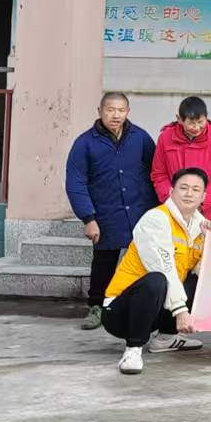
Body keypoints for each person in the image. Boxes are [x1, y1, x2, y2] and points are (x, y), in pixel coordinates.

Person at [101, 165, 211, 375]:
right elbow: (164, 268)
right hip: (121, 313)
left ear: (203, 196)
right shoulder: (156, 219)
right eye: (183, 188)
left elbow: (202, 270)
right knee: (156, 279)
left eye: (195, 189)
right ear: (171, 191)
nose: (189, 193)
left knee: (199, 279)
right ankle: (133, 349)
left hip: (157, 308)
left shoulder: (200, 226)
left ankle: (166, 338)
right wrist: (180, 311)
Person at [64, 92, 157, 331]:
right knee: (104, 263)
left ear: (128, 112)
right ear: (100, 111)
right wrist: (88, 218)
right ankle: (97, 306)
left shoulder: (140, 138)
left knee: (145, 260)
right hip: (106, 213)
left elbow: (156, 170)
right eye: (110, 110)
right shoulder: (85, 143)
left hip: (140, 210)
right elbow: (75, 182)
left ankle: (144, 308)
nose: (116, 115)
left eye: (121, 110)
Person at [150, 96, 211, 225]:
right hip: (176, 212)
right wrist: (173, 201)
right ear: (179, 119)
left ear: (206, 117)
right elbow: (159, 174)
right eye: (191, 123)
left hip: (210, 212)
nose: (196, 127)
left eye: (200, 122)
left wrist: (202, 200)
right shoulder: (165, 138)